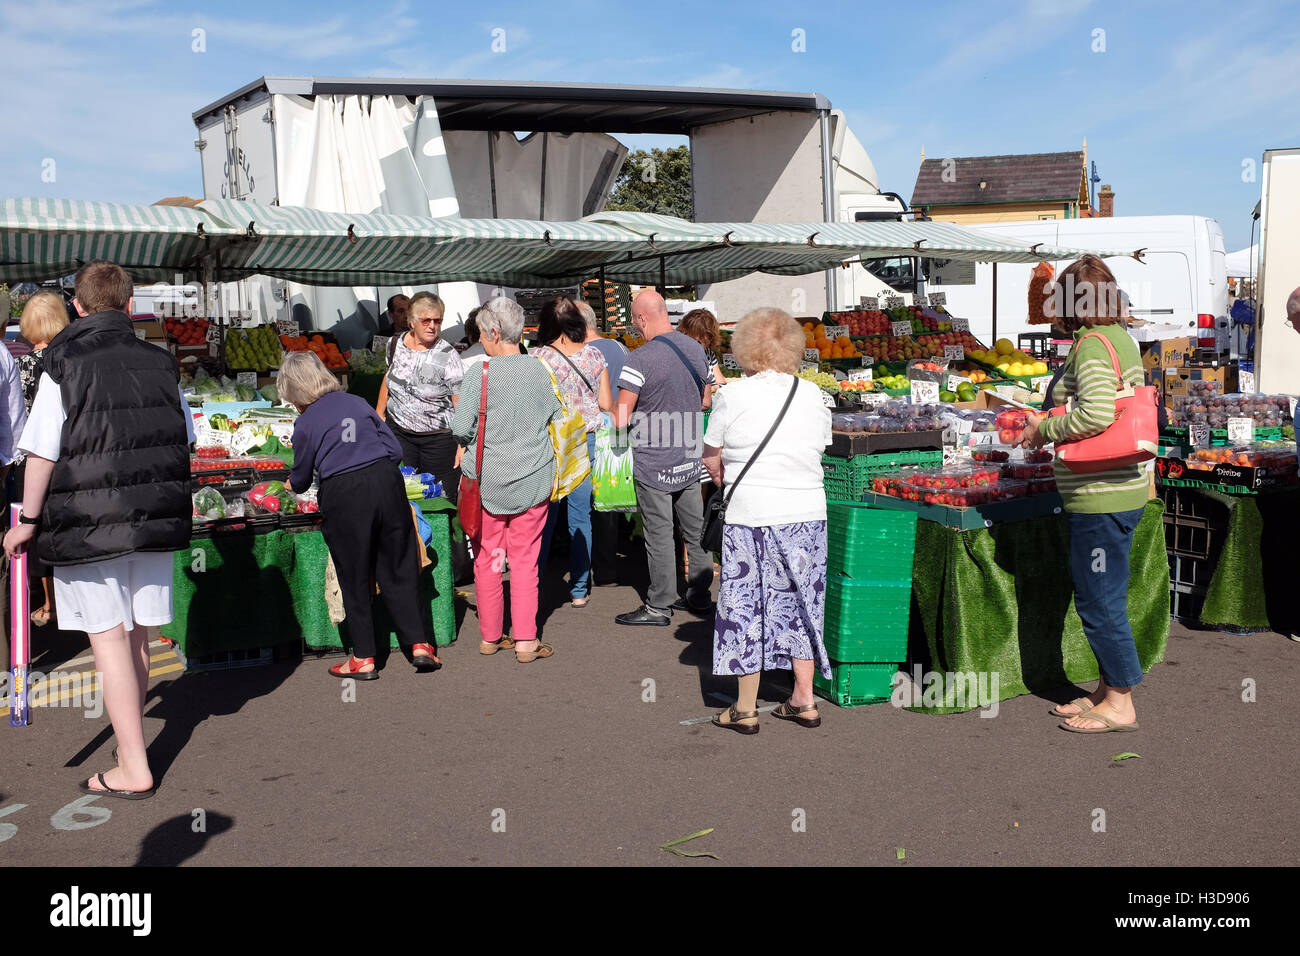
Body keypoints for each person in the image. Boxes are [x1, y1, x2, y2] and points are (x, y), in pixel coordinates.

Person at [3, 260, 192, 799]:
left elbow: (41, 451)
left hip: (90, 524)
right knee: (136, 635)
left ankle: (134, 765)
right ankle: (131, 749)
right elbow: (188, 438)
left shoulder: (63, 359)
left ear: (79, 307)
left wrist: (28, 523)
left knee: (107, 639)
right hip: (153, 516)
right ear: (129, 305)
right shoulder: (162, 361)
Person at [1019, 255, 1150, 734]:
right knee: (1104, 594)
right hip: (1120, 487)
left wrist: (1044, 427)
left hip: (1100, 493)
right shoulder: (1119, 338)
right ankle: (1106, 689)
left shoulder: (1094, 345)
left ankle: (1120, 702)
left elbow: (1095, 415)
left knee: (1098, 601)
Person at [701, 308, 833, 734]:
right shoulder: (813, 396)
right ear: (794, 346)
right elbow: (820, 448)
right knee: (802, 603)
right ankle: (804, 699)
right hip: (806, 515)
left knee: (745, 604)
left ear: (744, 348)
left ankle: (745, 707)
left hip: (751, 515)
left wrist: (727, 480)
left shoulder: (731, 396)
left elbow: (711, 457)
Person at [281, 351, 439, 679]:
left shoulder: (306, 422)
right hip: (386, 482)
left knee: (353, 575)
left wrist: (290, 481)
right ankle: (420, 645)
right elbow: (394, 451)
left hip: (345, 495)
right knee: (398, 565)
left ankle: (364, 658)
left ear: (296, 391)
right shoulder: (355, 402)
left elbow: (300, 479)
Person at [452, 297, 565, 662]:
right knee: (524, 561)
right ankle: (527, 642)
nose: (481, 341)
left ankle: (489, 636)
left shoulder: (479, 373)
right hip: (532, 478)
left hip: (488, 480)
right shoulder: (539, 370)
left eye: (483, 334)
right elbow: (552, 416)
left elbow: (459, 428)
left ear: (495, 333)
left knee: (487, 559)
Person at [613, 289, 713, 626]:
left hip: (654, 461)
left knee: (659, 533)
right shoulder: (696, 349)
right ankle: (699, 594)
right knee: (695, 530)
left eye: (634, 320)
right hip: (689, 454)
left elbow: (621, 418)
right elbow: (705, 402)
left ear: (642, 318)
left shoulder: (639, 359)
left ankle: (659, 605)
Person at [534, 297, 613, 609]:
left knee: (544, 517)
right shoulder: (594, 355)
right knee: (581, 516)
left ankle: (535, 583)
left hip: (550, 442)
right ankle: (579, 588)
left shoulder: (538, 357)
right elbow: (606, 403)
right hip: (585, 440)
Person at [376, 292, 465, 500]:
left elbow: (459, 401)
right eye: (426, 320)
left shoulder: (448, 355)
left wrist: (463, 443)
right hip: (400, 434)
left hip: (439, 440)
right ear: (411, 321)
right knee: (401, 494)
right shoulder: (395, 344)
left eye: (437, 320)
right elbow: (388, 377)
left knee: (438, 498)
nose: (432, 326)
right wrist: (379, 413)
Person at [14, 292, 68, 627]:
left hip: (32, 460)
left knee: (36, 529)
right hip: (68, 458)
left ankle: (48, 605)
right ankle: (65, 600)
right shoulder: (70, 360)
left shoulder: (22, 365)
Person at [578, 299, 628, 587]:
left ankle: (592, 565)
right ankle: (608, 568)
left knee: (589, 502)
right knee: (610, 498)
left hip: (595, 431)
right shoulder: (619, 347)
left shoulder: (585, 353)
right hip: (620, 428)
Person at [677, 308, 728, 408]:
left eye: (707, 338)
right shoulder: (679, 356)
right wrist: (712, 388)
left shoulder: (709, 354)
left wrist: (711, 389)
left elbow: (722, 384)